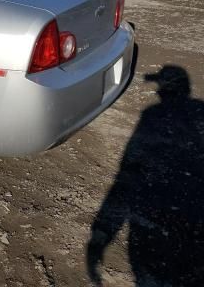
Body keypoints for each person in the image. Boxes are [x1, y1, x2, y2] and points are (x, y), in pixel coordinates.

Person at [87, 65, 204, 286]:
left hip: (158, 240)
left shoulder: (152, 116)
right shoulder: (197, 114)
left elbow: (126, 177)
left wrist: (100, 237)